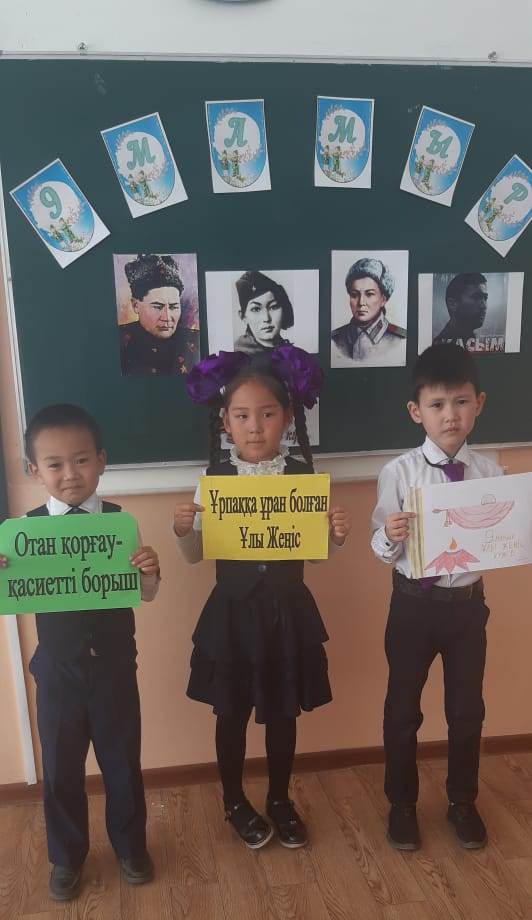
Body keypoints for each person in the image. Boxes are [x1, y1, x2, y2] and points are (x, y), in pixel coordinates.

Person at [174, 346, 351, 850]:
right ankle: (233, 800)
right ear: (225, 422)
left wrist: (335, 535)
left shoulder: (302, 479)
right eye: (242, 416)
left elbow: (313, 555)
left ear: (287, 418)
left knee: (282, 711)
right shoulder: (214, 481)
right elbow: (196, 555)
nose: (255, 427)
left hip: (285, 614)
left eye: (267, 414)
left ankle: (278, 798)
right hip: (232, 615)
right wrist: (183, 529)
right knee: (230, 712)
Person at [0, 404, 160, 901]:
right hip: (58, 674)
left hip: (114, 670)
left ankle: (131, 847)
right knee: (61, 770)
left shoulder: (120, 524)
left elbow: (145, 593)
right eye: (55, 464)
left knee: (122, 763)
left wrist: (149, 570)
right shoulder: (22, 533)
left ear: (102, 460)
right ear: (35, 470)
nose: (70, 474)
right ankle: (66, 856)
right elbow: (13, 596)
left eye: (81, 460)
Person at [371, 344, 503, 852]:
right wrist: (390, 534)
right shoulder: (399, 473)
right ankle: (401, 804)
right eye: (437, 404)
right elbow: (380, 548)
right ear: (416, 411)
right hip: (413, 606)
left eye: (461, 402)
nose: (451, 415)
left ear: (479, 404)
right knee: (402, 709)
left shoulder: (491, 473)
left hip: (467, 608)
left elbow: (500, 538)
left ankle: (462, 801)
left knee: (467, 710)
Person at [119, 254, 199, 376]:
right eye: (157, 307)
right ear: (135, 305)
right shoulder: (119, 340)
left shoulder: (196, 341)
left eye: (173, 307)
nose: (167, 317)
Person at [331, 258, 406, 365]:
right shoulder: (334, 339)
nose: (361, 302)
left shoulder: (400, 339)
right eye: (354, 295)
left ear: (383, 300)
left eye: (369, 294)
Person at [234, 270, 294, 356]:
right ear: (243, 317)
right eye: (256, 309)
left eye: (273, 307)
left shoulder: (292, 353)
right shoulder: (237, 357)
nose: (266, 318)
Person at [433, 273, 489, 348]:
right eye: (476, 297)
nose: (484, 306)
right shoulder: (440, 348)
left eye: (485, 298)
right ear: (452, 304)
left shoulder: (472, 340)